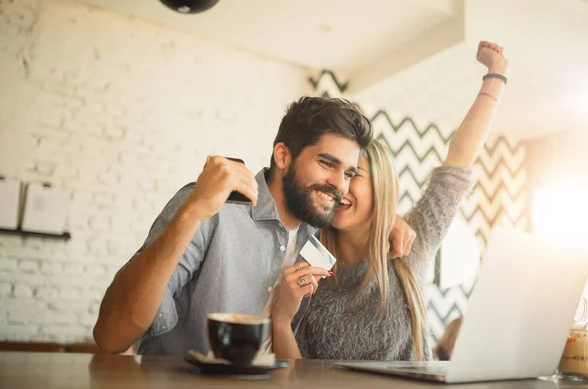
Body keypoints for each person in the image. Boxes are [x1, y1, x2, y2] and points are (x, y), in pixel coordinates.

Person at [93, 96, 413, 356]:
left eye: (348, 173)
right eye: (326, 164)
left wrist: (389, 221)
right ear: (283, 155)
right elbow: (111, 337)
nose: (339, 185)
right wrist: (192, 212)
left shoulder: (318, 234)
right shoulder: (213, 209)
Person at [270, 41, 508, 361]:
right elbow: (297, 375)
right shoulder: (307, 257)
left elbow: (459, 159)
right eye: (334, 170)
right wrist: (281, 321)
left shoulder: (410, 243)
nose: (340, 185)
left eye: (354, 174)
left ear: (381, 187)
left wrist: (496, 75)